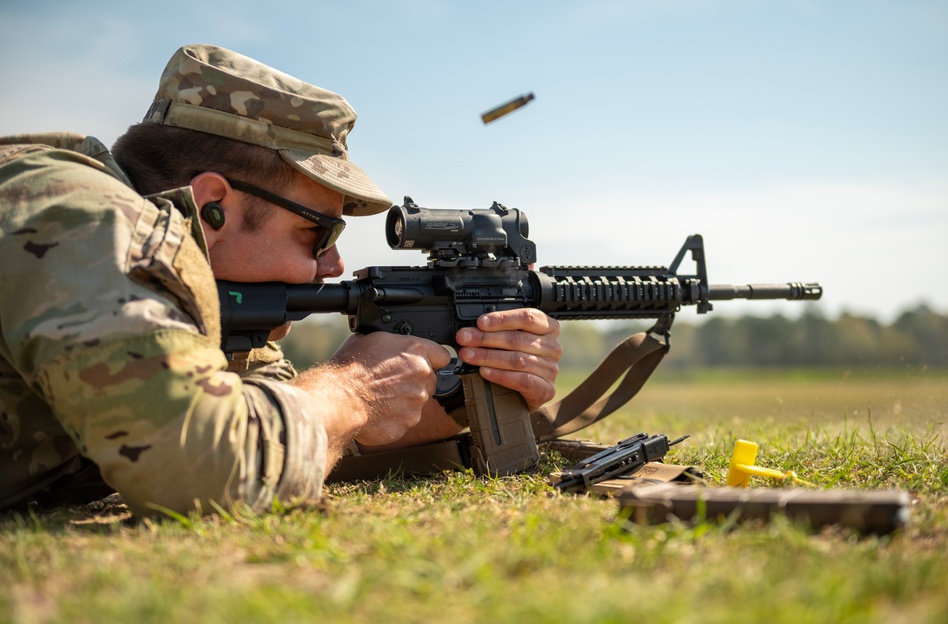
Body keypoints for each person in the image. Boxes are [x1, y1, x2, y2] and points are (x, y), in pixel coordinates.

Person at [0, 44, 562, 516]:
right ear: (213, 207)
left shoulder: (195, 306)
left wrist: (470, 381)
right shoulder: (84, 217)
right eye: (316, 233)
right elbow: (204, 465)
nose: (333, 265)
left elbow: (279, 417)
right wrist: (353, 390)